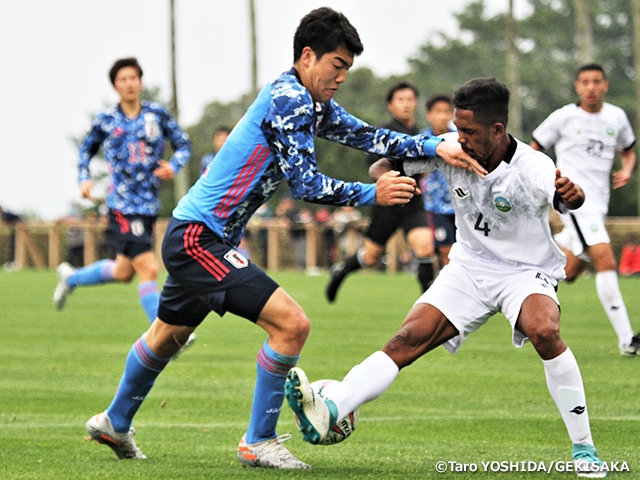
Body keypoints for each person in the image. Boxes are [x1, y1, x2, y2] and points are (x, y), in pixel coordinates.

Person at [83, 8, 482, 469]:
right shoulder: (290, 99)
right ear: (308, 56)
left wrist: (436, 146)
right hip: (200, 238)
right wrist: (375, 193)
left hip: (197, 235)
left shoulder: (308, 101)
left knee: (166, 335)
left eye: (347, 70)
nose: (341, 78)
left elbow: (369, 137)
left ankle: (114, 421)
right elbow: (307, 185)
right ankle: (259, 440)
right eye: (337, 66)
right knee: (291, 324)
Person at [286, 77, 609, 478]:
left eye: (469, 132)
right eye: (457, 129)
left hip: (525, 273)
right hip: (470, 267)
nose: (460, 138)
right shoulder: (449, 149)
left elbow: (563, 195)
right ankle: (332, 407)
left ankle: (584, 449)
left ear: (497, 130)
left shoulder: (532, 166)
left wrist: (570, 195)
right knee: (406, 339)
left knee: (544, 330)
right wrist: (395, 170)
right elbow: (383, 164)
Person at [53, 57, 191, 328]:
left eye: (133, 78)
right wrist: (84, 179)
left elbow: (183, 144)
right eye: (122, 80)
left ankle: (71, 278)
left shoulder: (156, 115)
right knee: (149, 269)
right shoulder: (106, 120)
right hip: (122, 205)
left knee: (124, 271)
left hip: (149, 205)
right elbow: (85, 151)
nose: (129, 84)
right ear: (115, 86)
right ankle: (164, 333)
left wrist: (173, 165)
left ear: (140, 81)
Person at [530, 63, 640, 356]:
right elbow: (534, 148)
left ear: (605, 85)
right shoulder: (564, 117)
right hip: (575, 202)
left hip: (599, 203)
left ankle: (515, 294)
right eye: (585, 82)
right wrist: (543, 181)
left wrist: (627, 169)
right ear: (577, 87)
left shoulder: (616, 117)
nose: (591, 87)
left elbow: (628, 149)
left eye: (597, 82)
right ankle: (628, 340)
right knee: (605, 260)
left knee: (566, 271)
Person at [325, 81, 436, 302]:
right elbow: (374, 163)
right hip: (388, 202)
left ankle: (430, 307)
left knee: (425, 247)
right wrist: (385, 176)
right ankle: (341, 271)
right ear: (390, 105)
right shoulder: (384, 132)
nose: (406, 104)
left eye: (410, 99)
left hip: (413, 202)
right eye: (400, 100)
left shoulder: (418, 133)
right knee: (371, 256)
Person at [421, 94, 456, 267]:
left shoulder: (460, 138)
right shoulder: (422, 140)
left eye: (446, 111)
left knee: (465, 251)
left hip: (461, 204)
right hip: (436, 206)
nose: (442, 116)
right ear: (429, 115)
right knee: (445, 251)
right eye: (438, 112)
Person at [0, 205, 22, 270]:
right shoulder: (6, 214)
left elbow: (2, 223)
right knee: (12, 246)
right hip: (15, 232)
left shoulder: (5, 215)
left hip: (19, 232)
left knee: (14, 247)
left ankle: (13, 263)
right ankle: (12, 262)